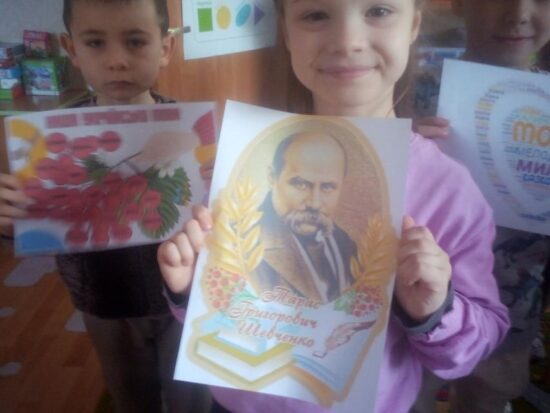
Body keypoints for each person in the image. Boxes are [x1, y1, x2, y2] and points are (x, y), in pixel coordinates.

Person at [157, 1, 510, 412]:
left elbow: (474, 347)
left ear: (413, 24)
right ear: (287, 33)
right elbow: (219, 315)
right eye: (316, 15)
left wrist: (434, 310)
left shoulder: (448, 189)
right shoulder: (243, 168)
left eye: (378, 11)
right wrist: (190, 290)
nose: (347, 41)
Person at [0, 1, 211, 412]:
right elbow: (41, 226)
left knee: (192, 398)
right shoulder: (50, 143)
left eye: (136, 41)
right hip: (103, 299)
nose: (117, 61)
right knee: (130, 396)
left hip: (183, 298)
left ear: (165, 48)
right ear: (71, 49)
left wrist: (219, 187)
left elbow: (215, 217)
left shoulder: (191, 131)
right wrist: (11, 224)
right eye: (96, 43)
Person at [411, 1, 550, 413]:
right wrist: (405, 144)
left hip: (515, 298)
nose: (519, 13)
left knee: (489, 393)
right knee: (413, 393)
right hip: (421, 298)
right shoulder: (408, 93)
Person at [253, 131, 356, 303]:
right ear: (271, 178)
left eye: (328, 187)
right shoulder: (241, 244)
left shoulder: (346, 244)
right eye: (300, 184)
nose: (314, 204)